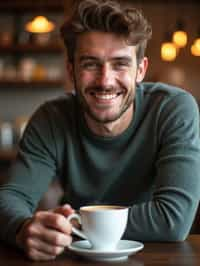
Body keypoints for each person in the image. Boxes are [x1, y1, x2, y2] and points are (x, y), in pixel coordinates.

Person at [0, 0, 200, 261]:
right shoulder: (51, 117)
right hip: (78, 258)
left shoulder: (173, 108)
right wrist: (23, 229)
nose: (105, 80)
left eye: (120, 64)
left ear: (140, 70)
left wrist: (71, 226)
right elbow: (11, 198)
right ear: (71, 70)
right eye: (90, 64)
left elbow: (173, 219)